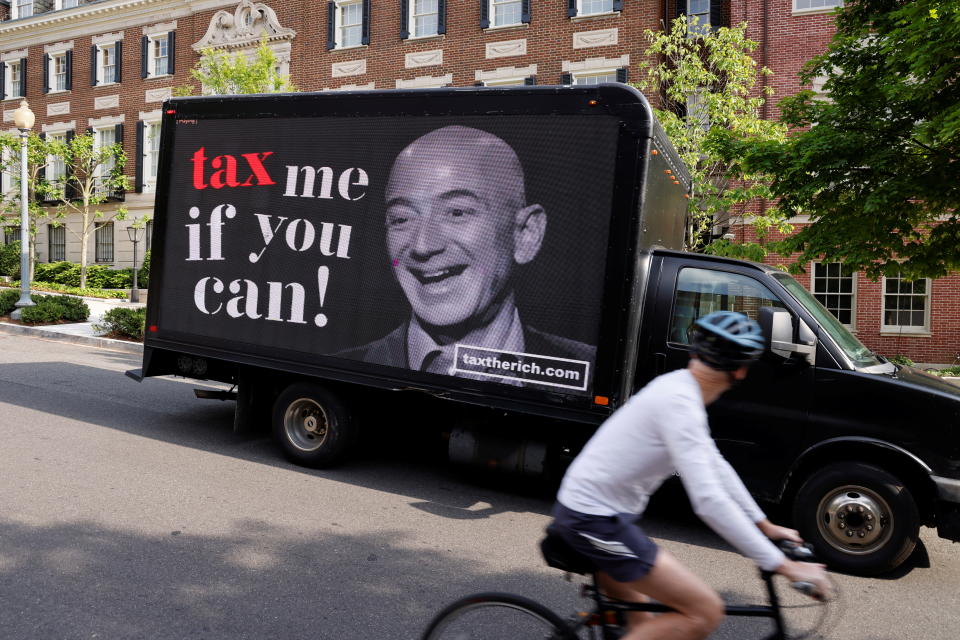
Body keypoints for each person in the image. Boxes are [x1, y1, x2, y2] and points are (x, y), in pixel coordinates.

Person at [549, 310, 831, 640]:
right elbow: (709, 501)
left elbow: (716, 465)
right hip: (594, 520)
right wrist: (781, 564)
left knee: (642, 625)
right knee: (704, 611)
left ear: (695, 352)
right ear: (740, 371)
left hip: (603, 515)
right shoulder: (679, 402)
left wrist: (763, 524)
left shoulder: (678, 390)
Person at [338, 125, 595, 382]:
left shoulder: (590, 373)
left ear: (526, 234)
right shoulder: (343, 371)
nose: (423, 246)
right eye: (402, 218)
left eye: (456, 212)